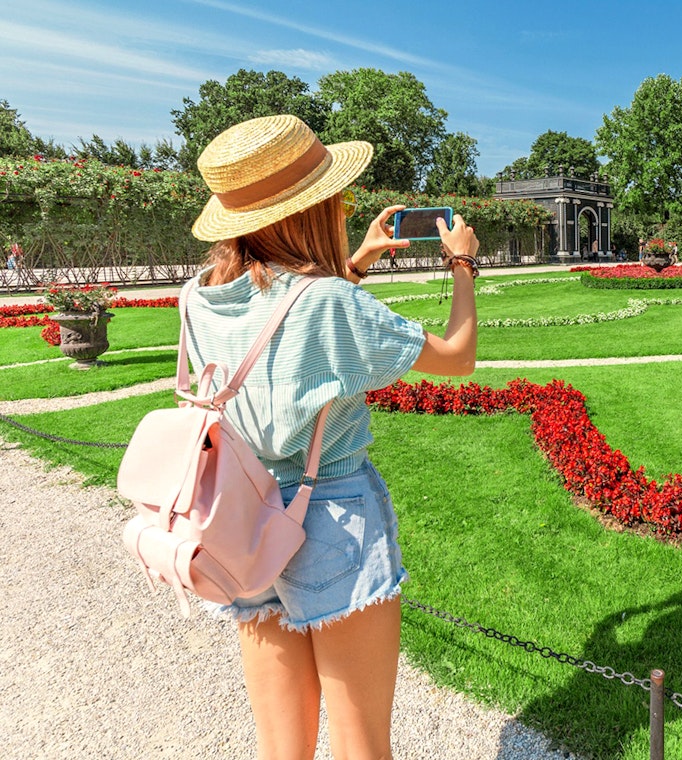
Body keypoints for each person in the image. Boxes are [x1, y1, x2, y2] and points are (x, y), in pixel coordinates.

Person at [183, 114, 479, 759]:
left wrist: (361, 260)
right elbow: (456, 356)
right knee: (360, 744)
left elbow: (284, 309)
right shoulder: (328, 301)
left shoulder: (198, 294)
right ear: (310, 208)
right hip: (329, 514)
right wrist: (463, 266)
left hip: (240, 510)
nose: (344, 203)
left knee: (281, 745)